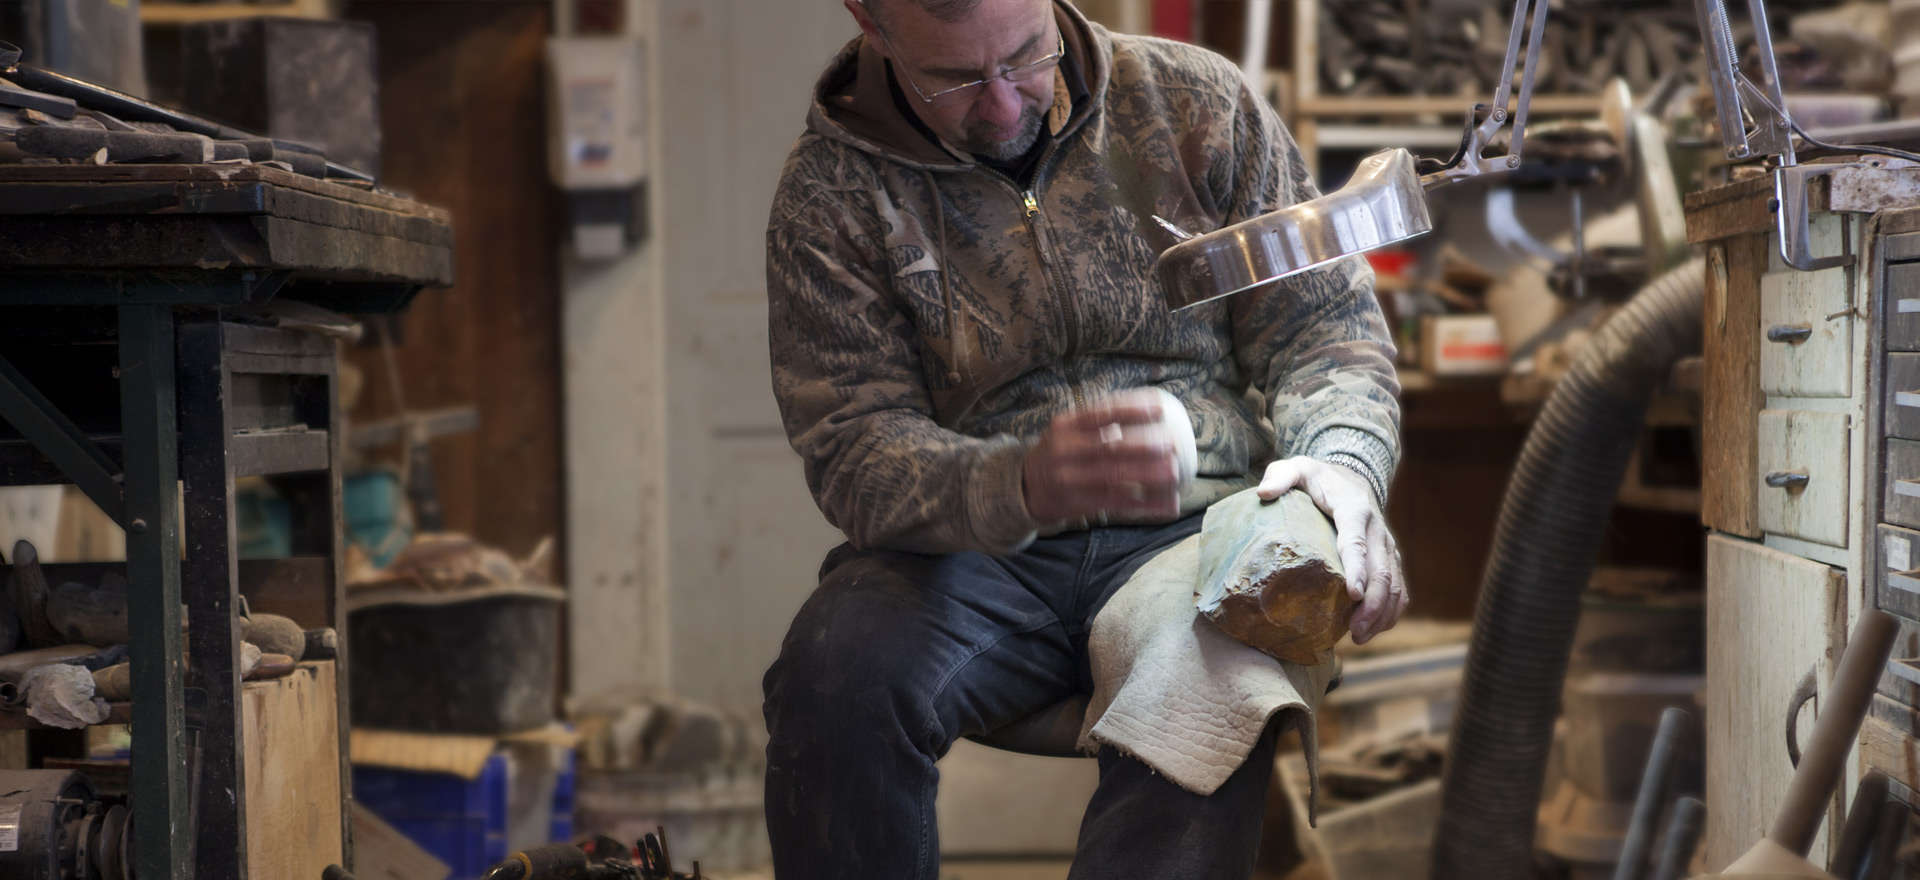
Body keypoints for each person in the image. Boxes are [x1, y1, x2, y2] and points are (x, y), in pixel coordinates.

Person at [761, 0, 1406, 875]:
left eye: (1029, 55)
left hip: (1195, 527)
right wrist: (1017, 484)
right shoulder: (830, 193)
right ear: (871, 26)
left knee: (1218, 683)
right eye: (955, 78)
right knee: (833, 672)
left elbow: (1324, 331)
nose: (1002, 104)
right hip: (969, 553)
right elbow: (854, 448)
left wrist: (1344, 458)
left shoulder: (1196, 103)